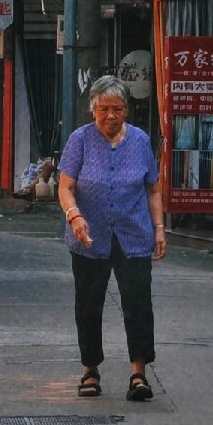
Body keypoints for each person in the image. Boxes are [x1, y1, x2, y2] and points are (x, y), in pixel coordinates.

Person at [57, 75, 166, 403]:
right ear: (93, 110)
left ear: (126, 111)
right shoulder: (80, 140)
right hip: (89, 236)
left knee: (138, 304)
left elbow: (153, 188)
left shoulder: (140, 140)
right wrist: (75, 216)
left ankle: (138, 373)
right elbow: (65, 186)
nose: (110, 115)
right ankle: (90, 370)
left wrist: (160, 229)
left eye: (117, 108)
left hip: (134, 234)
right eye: (103, 109)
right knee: (89, 305)